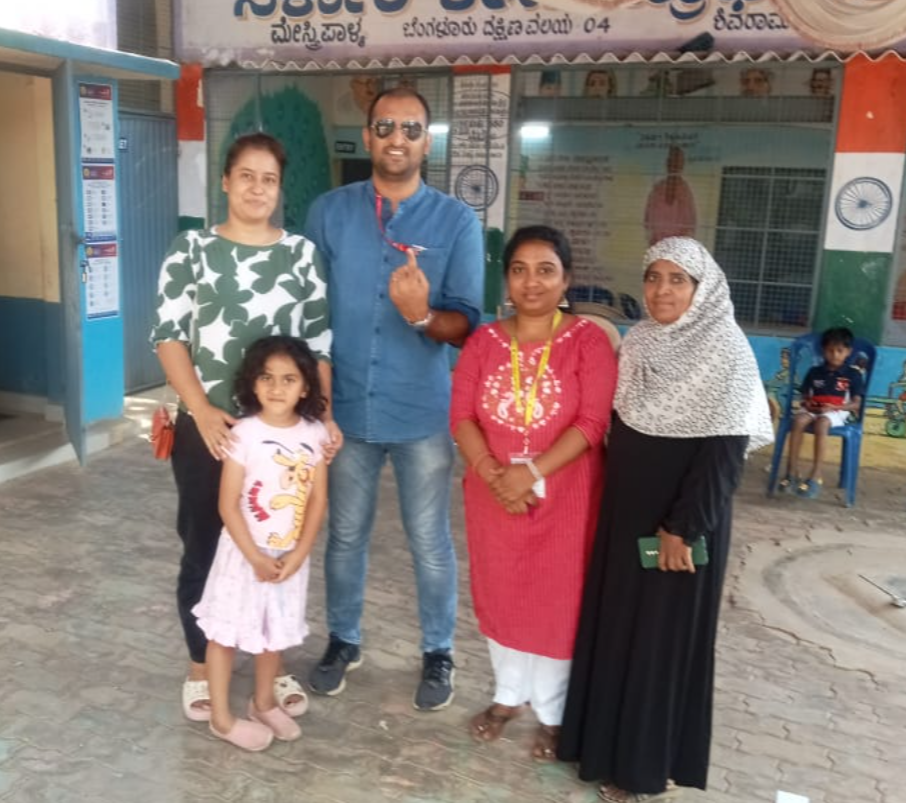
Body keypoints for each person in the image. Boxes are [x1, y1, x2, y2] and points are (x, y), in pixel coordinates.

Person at [558, 237, 774, 802]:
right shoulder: (642, 344)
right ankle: (598, 746)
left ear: (702, 290)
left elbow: (725, 457)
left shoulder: (727, 351)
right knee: (618, 630)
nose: (662, 290)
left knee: (661, 644)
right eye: (653, 277)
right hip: (626, 514)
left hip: (680, 527)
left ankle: (640, 770)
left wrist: (684, 527)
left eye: (678, 279)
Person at [303, 87, 485, 710]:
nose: (397, 138)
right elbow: (308, 311)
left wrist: (419, 315)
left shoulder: (456, 223)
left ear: (427, 141)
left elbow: (467, 324)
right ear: (370, 134)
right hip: (345, 409)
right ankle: (342, 640)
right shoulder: (328, 213)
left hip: (420, 413)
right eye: (386, 126)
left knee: (429, 539)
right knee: (345, 535)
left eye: (411, 127)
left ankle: (438, 652)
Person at [151, 132, 340, 723]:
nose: (258, 188)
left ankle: (269, 663)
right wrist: (202, 409)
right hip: (212, 430)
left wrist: (323, 417)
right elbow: (168, 336)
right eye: (247, 176)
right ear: (227, 182)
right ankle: (199, 665)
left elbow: (318, 345)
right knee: (206, 544)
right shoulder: (191, 252)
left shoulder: (302, 255)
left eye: (270, 179)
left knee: (277, 543)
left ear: (279, 190)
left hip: (282, 438)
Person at [450, 226, 617, 761]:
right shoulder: (484, 342)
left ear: (566, 279)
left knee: (556, 606)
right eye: (519, 269)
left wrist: (530, 474)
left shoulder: (587, 342)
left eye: (546, 270)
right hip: (492, 496)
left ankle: (551, 712)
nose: (531, 282)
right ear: (506, 279)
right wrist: (493, 472)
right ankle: (507, 697)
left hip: (565, 501)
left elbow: (592, 422)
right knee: (502, 595)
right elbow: (463, 416)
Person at [193, 336, 328, 750]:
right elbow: (227, 503)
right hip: (242, 556)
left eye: (289, 379)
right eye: (267, 377)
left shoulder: (316, 435)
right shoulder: (244, 434)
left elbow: (318, 499)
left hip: (288, 558)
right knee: (225, 635)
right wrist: (253, 556)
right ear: (252, 383)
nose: (276, 387)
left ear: (305, 387)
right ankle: (221, 717)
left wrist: (299, 554)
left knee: (275, 632)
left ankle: (264, 702)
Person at [780, 327, 863, 499]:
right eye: (830, 350)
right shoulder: (814, 372)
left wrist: (834, 408)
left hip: (837, 411)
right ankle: (792, 471)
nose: (834, 354)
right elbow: (805, 394)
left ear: (848, 352)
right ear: (823, 351)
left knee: (822, 423)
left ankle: (816, 474)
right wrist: (808, 403)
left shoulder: (852, 375)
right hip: (813, 408)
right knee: (799, 420)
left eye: (840, 350)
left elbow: (856, 404)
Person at [643, 145, 697, 245]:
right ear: (667, 163)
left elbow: (690, 223)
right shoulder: (658, 189)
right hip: (658, 244)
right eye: (672, 162)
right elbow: (647, 221)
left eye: (678, 162)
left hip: (677, 245)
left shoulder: (685, 190)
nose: (674, 166)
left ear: (682, 165)